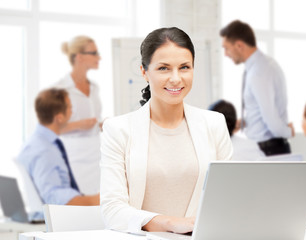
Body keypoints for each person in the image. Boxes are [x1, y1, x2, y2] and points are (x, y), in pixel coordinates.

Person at [100, 27, 233, 234]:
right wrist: (172, 224)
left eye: (184, 67)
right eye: (163, 68)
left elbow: (229, 196)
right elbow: (112, 210)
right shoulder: (118, 130)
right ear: (144, 72)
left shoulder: (214, 124)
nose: (175, 78)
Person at [220, 20, 295, 156]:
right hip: (269, 148)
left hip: (270, 150)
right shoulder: (262, 66)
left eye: (226, 48)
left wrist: (288, 132)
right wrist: (244, 123)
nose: (225, 54)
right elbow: (263, 109)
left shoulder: (259, 72)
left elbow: (270, 117)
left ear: (239, 45)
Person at [17, 88, 99, 207]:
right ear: (59, 117)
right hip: (60, 217)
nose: (72, 112)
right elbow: (54, 197)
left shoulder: (34, 143)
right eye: (70, 107)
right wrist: (97, 200)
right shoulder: (45, 150)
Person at [54, 35, 102, 194]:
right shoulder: (61, 89)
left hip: (96, 157)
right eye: (94, 53)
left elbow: (92, 119)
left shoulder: (94, 87)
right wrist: (79, 125)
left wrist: (101, 124)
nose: (99, 57)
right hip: (73, 159)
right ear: (79, 57)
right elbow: (51, 128)